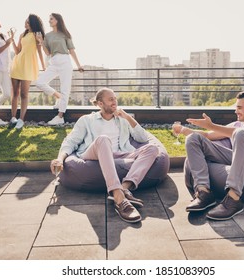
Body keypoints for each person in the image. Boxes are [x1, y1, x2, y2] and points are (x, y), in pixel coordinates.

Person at [50, 88, 159, 223]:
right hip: (94, 154)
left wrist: (127, 117)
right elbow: (70, 141)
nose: (115, 102)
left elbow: (142, 138)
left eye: (115, 98)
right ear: (100, 104)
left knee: (153, 149)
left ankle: (124, 188)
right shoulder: (87, 120)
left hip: (120, 154)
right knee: (103, 139)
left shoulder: (123, 119)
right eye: (111, 99)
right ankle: (118, 197)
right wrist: (60, 159)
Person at [172, 91, 244, 220]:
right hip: (234, 157)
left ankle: (233, 199)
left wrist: (211, 125)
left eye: (239, 108)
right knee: (193, 138)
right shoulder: (236, 125)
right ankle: (203, 192)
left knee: (241, 133)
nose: (235, 111)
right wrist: (184, 130)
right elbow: (209, 135)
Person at [35, 13, 84, 126]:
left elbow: (71, 50)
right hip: (54, 62)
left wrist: (79, 65)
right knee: (39, 82)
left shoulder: (65, 34)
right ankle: (58, 96)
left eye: (51, 19)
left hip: (65, 62)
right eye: (49, 19)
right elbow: (47, 53)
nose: (49, 21)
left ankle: (60, 116)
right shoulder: (47, 36)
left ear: (57, 20)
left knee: (65, 89)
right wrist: (41, 41)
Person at [10, 14, 45, 129]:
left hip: (29, 66)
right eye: (25, 21)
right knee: (15, 93)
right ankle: (13, 118)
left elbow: (40, 51)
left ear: (33, 23)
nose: (25, 23)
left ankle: (21, 119)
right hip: (18, 64)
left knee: (24, 94)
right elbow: (17, 51)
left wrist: (43, 66)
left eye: (28, 22)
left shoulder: (37, 34)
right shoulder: (22, 35)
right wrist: (12, 40)